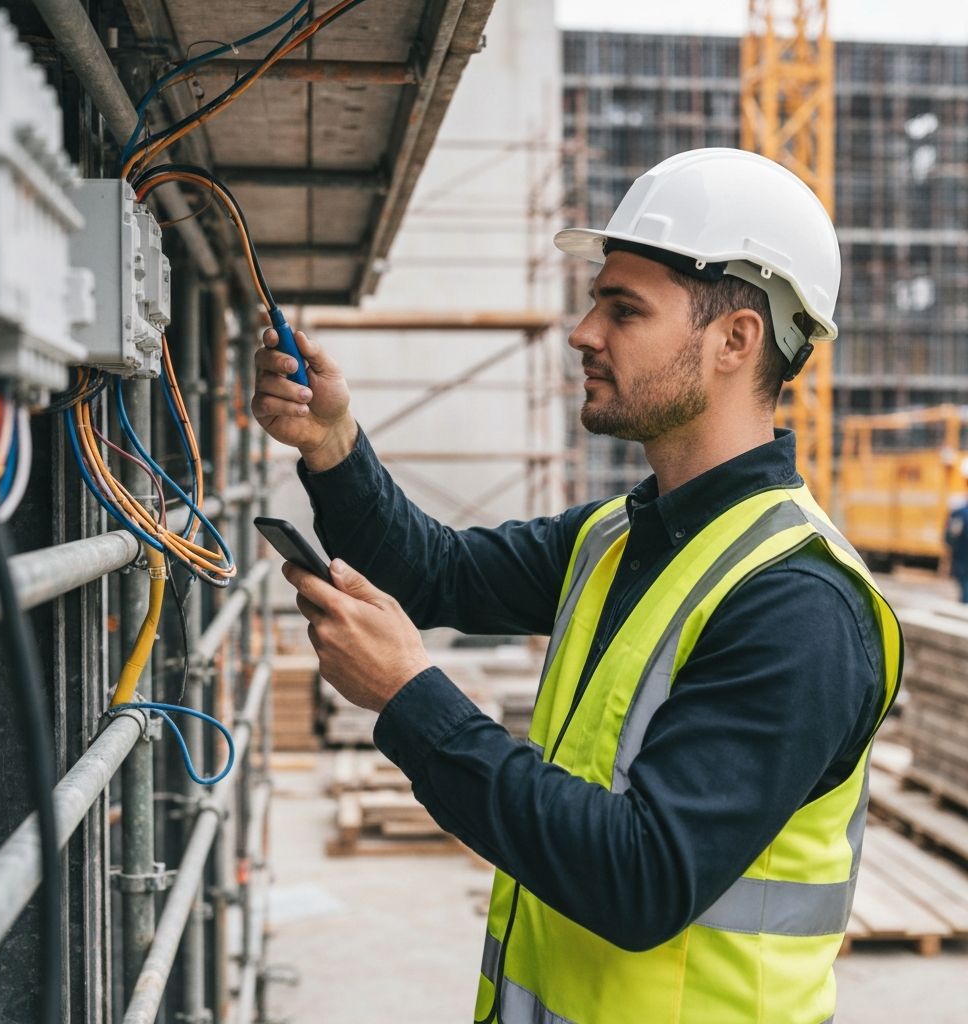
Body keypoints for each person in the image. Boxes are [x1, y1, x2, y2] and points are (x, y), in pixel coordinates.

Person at [251, 149, 902, 1024]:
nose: (583, 331)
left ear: (735, 341)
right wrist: (332, 444)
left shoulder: (799, 604)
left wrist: (410, 695)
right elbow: (433, 574)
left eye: (624, 309)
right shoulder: (615, 538)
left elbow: (643, 878)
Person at [945, 476, 968, 602]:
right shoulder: (960, 512)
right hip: (962, 555)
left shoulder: (959, 513)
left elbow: (951, 535)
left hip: (962, 556)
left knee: (964, 583)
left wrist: (951, 546)